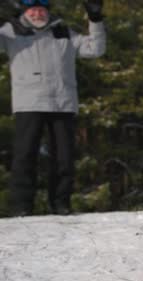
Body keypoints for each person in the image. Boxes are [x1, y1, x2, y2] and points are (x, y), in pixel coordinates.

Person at [0, 0, 106, 216]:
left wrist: (95, 20)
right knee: (24, 156)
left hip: (62, 102)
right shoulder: (11, 31)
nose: (37, 13)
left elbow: (95, 49)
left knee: (64, 157)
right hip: (29, 103)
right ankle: (21, 206)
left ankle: (60, 204)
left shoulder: (62, 31)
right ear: (25, 11)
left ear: (47, 11)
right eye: (33, 9)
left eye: (41, 9)